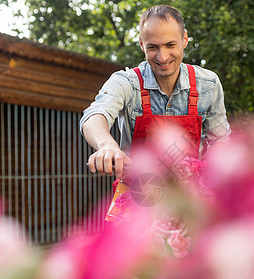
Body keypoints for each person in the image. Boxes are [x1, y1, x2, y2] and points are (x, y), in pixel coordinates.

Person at [80, 5, 230, 178]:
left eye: (170, 45)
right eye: (153, 47)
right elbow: (95, 115)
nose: (162, 57)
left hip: (191, 196)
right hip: (137, 194)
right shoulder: (127, 82)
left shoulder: (208, 84)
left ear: (185, 39)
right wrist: (107, 146)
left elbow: (219, 141)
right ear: (142, 45)